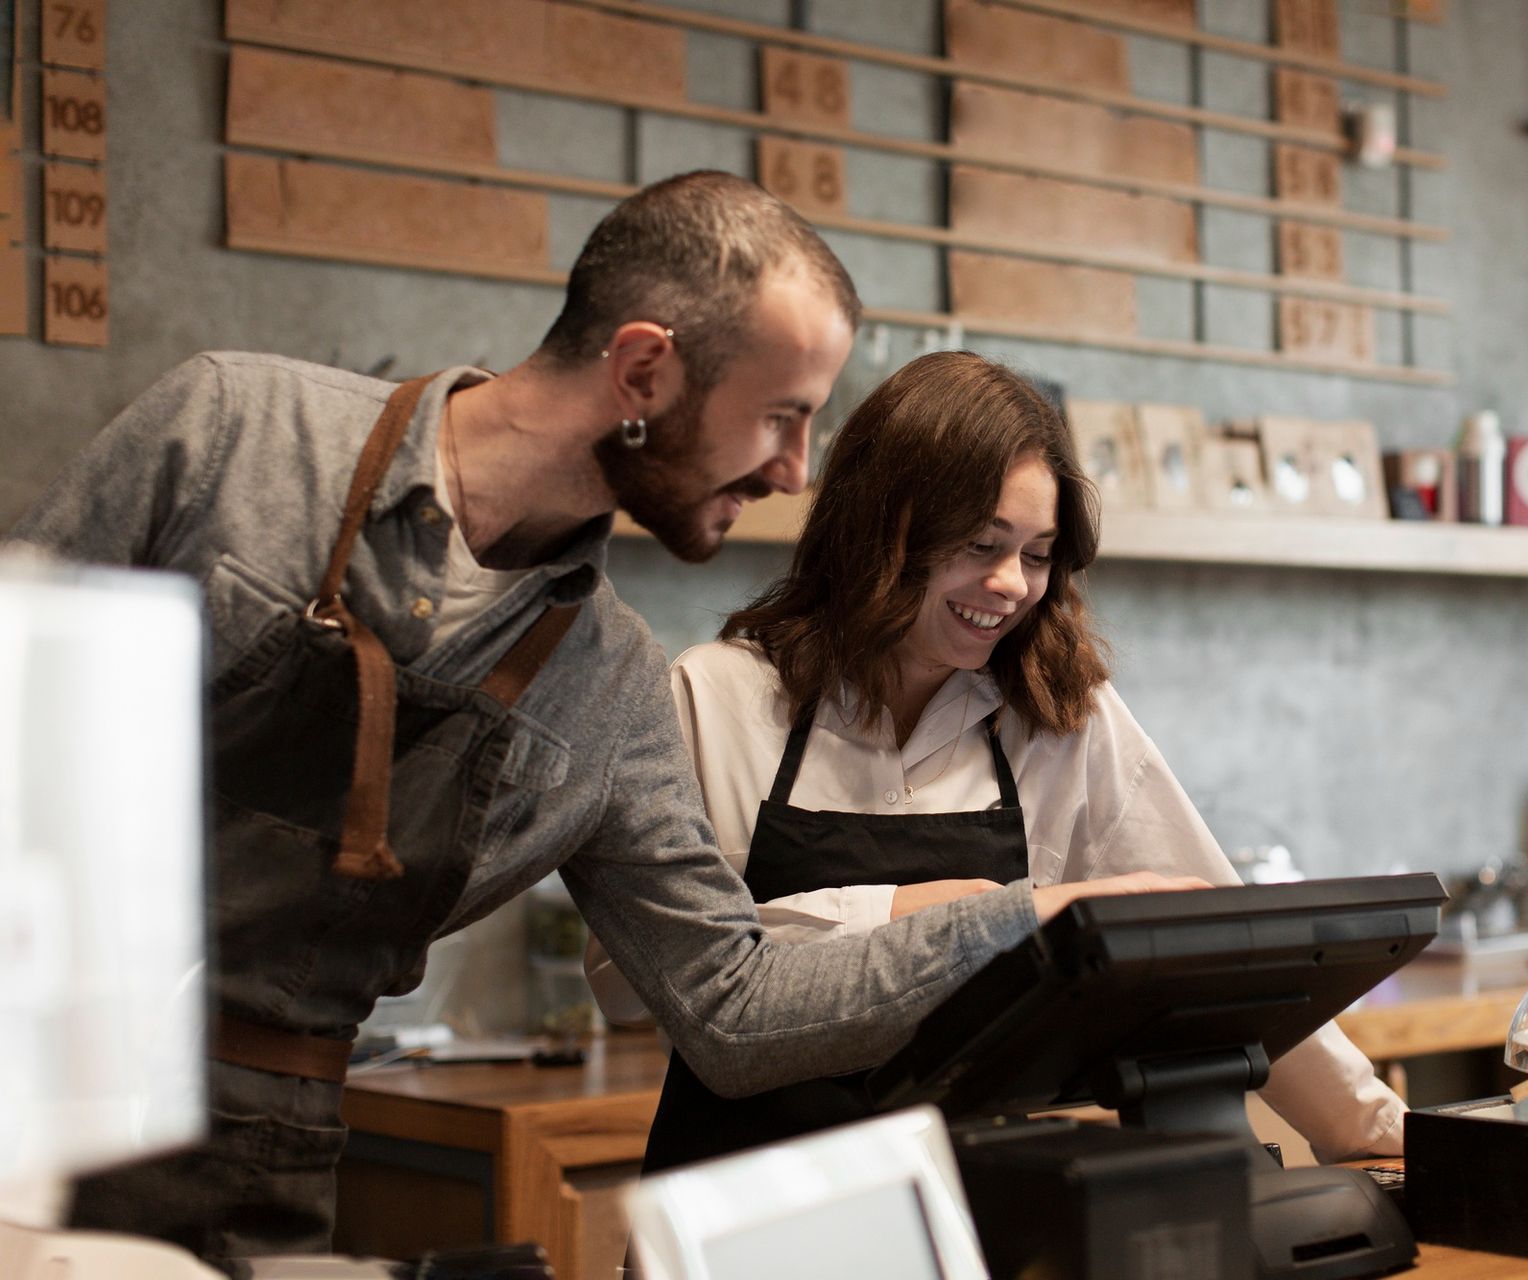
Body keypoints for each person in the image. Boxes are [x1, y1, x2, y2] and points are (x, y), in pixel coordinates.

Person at [5, 173, 1189, 1265]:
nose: (796, 470)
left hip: (264, 1152)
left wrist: (1027, 920)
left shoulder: (609, 680)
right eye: (782, 415)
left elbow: (729, 1004)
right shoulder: (236, 436)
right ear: (642, 374)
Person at [588, 350, 1407, 1171]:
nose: (1011, 583)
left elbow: (1227, 954)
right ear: (882, 526)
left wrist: (1379, 1130)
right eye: (982, 543)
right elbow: (632, 986)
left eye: (1039, 553)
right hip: (741, 1214)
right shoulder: (715, 696)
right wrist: (945, 911)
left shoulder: (1058, 715)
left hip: (976, 1212)